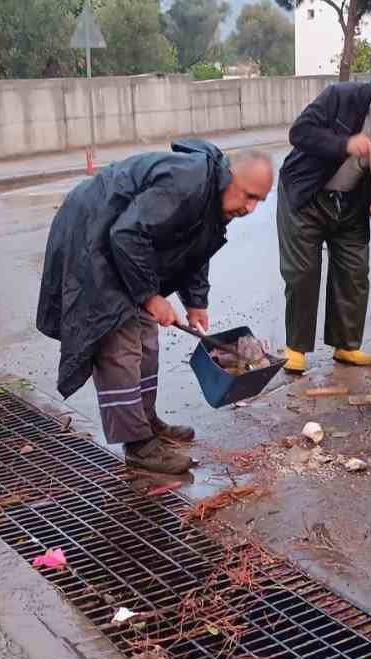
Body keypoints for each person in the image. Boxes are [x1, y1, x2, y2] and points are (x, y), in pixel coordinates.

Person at [37, 140, 274, 475]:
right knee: (118, 340)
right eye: (249, 195)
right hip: (94, 235)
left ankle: (146, 421)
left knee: (146, 337)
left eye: (258, 201)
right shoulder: (187, 182)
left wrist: (195, 301)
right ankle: (137, 445)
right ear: (230, 177)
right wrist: (150, 295)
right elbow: (127, 233)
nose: (250, 208)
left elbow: (194, 245)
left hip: (121, 243)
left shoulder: (216, 196)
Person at [276, 65, 371, 374]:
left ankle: (346, 345)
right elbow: (300, 132)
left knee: (354, 274)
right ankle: (296, 348)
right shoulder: (341, 97)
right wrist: (343, 144)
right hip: (307, 194)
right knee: (303, 272)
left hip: (352, 203)